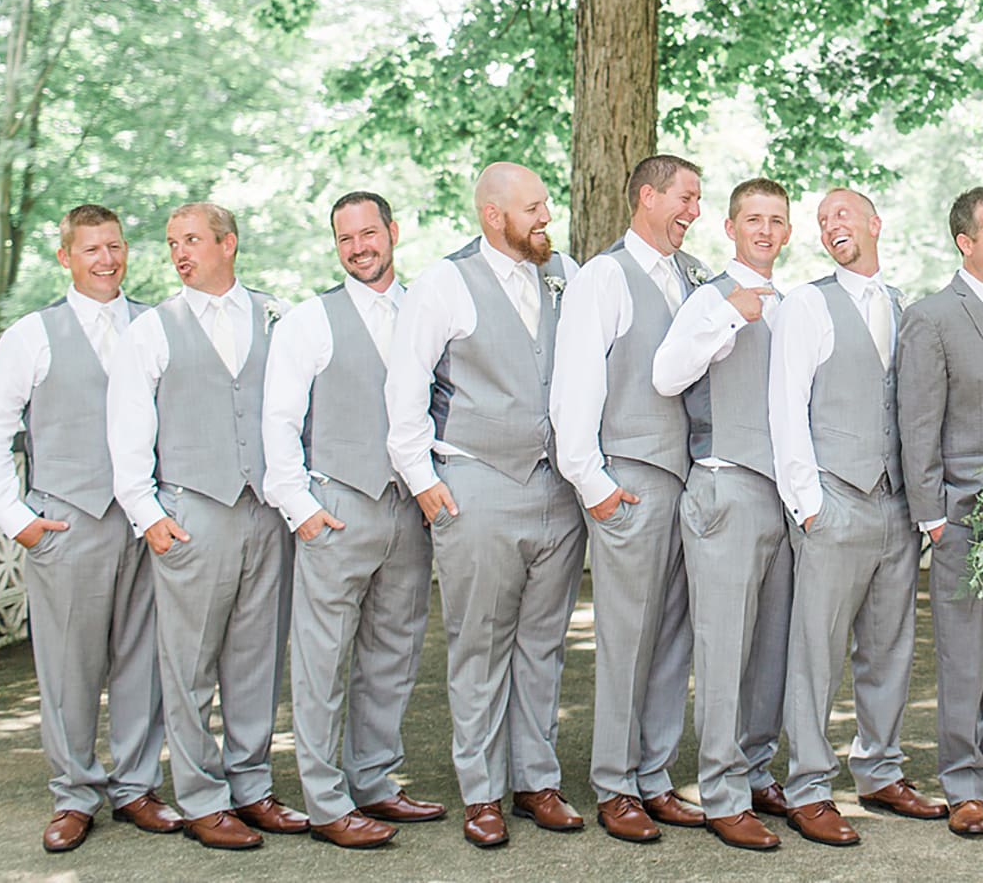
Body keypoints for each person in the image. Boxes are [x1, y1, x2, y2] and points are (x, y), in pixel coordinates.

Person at [384, 163, 586, 848]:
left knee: (543, 644)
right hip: (476, 485)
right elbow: (406, 380)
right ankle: (481, 791)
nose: (544, 217)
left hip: (556, 488)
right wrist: (422, 478)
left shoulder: (565, 272)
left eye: (545, 206)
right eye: (532, 208)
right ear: (492, 213)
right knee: (479, 644)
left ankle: (537, 780)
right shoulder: (445, 282)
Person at [0, 204, 177, 854]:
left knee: (146, 659)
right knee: (68, 666)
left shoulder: (159, 322)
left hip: (147, 524)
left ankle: (137, 785)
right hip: (68, 522)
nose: (106, 259)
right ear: (66, 257)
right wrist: (19, 520)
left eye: (114, 245)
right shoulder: (32, 334)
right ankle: (74, 793)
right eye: (91, 249)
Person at [107, 202, 303, 849]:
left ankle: (251, 787)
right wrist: (149, 514)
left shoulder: (278, 315)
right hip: (192, 512)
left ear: (229, 243)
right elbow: (128, 425)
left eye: (191, 239)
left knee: (255, 657)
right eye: (171, 243)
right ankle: (200, 798)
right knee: (188, 666)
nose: (179, 252)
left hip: (265, 512)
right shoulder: (153, 329)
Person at [261, 191, 443, 850]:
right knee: (322, 662)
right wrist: (303, 511)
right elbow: (278, 422)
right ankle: (327, 800)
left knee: (393, 654)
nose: (360, 246)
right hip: (337, 508)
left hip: (409, 511)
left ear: (394, 230)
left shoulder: (428, 308)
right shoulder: (310, 319)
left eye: (370, 232)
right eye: (346, 239)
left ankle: (374, 780)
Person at [769, 189, 944, 847]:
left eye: (843, 213)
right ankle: (810, 785)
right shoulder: (807, 302)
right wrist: (808, 504)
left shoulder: (905, 305)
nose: (830, 224)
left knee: (890, 646)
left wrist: (920, 504)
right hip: (834, 500)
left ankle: (879, 768)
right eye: (821, 221)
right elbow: (786, 405)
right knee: (816, 652)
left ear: (875, 224)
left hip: (896, 503)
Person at [551, 155, 709, 842]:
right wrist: (596, 485)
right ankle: (614, 784)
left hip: (686, 481)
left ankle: (654, 774)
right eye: (686, 197)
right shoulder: (604, 275)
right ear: (647, 196)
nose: (694, 211)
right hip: (631, 482)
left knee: (672, 635)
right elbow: (575, 384)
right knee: (626, 637)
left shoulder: (689, 275)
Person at [651, 178, 794, 852]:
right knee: (723, 649)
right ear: (732, 227)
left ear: (787, 231)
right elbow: (667, 373)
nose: (765, 230)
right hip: (724, 485)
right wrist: (732, 314)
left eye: (776, 220)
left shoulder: (793, 304)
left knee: (770, 649)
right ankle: (722, 792)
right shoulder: (707, 298)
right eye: (753, 219)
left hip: (783, 496)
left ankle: (756, 769)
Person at [897, 187, 983, 839]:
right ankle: (961, 782)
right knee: (963, 653)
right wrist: (931, 515)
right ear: (966, 242)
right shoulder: (931, 317)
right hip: (963, 512)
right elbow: (918, 419)